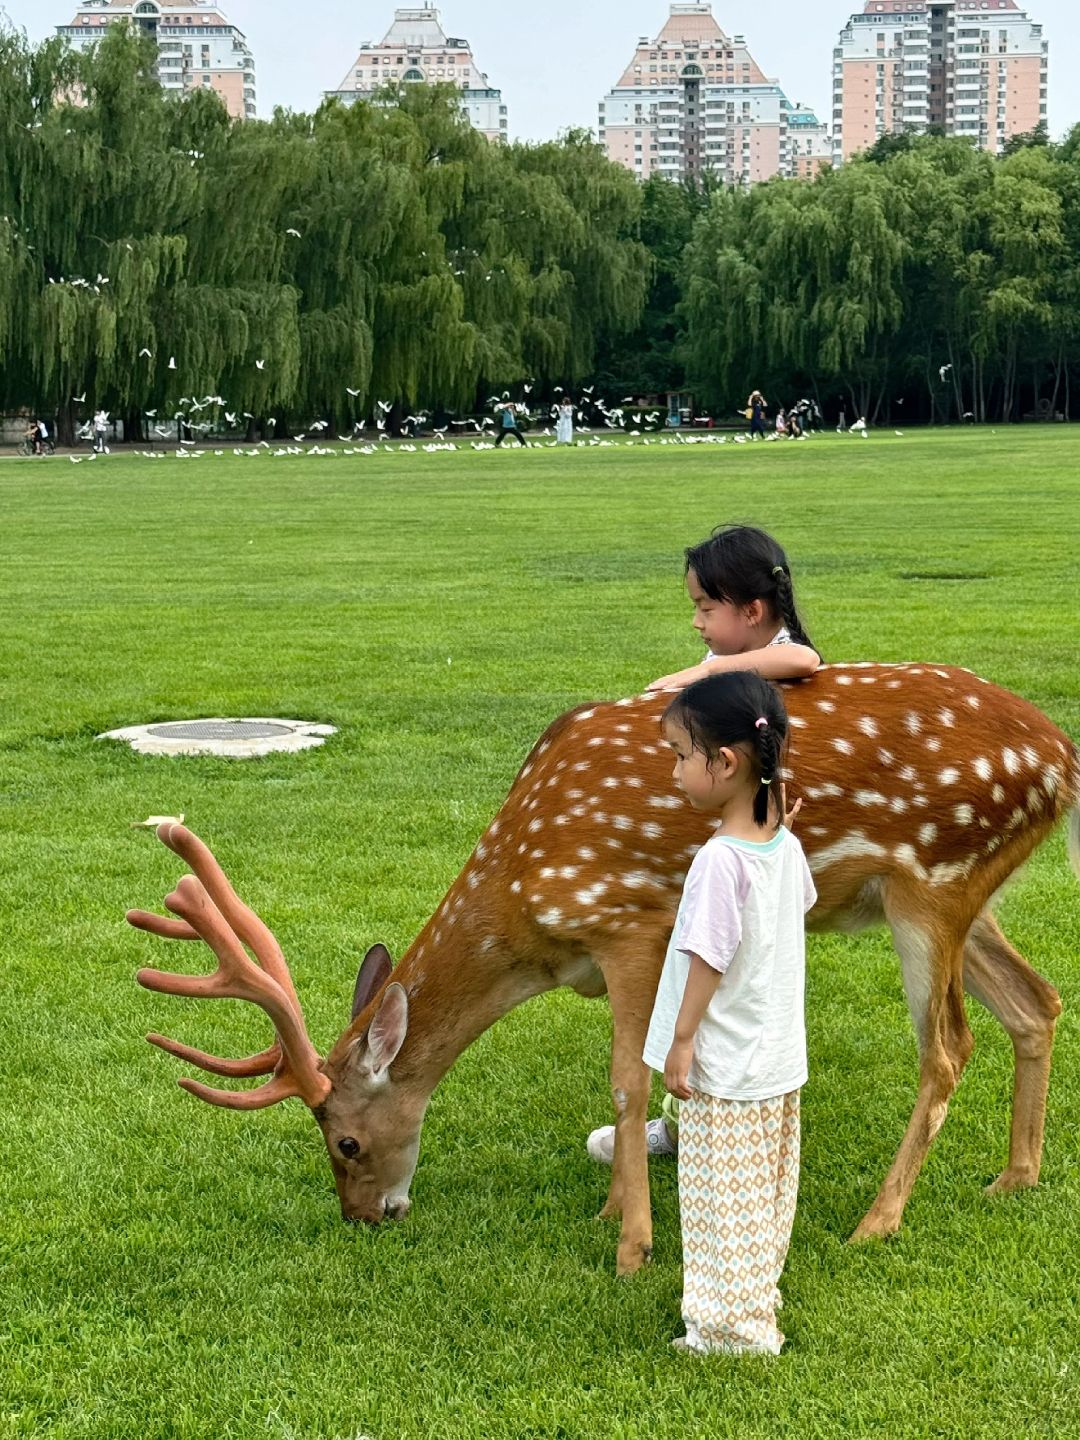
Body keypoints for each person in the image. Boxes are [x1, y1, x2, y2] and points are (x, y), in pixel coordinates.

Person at [586, 525, 819, 1163]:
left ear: (753, 611)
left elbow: (803, 662)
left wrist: (706, 671)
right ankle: (690, 1120)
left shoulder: (782, 653)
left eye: (705, 608)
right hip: (764, 838)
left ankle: (706, 1127)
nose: (697, 622)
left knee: (722, 987)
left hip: (745, 844)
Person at [645, 670, 816, 1354]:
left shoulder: (720, 861)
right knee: (762, 1202)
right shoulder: (783, 846)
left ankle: (729, 1331)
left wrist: (682, 1040)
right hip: (775, 1061)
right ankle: (752, 1301)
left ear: (725, 762)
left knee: (721, 1204)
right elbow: (795, 901)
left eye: (683, 755)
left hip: (729, 1062)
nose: (675, 770)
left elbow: (708, 958)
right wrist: (778, 833)